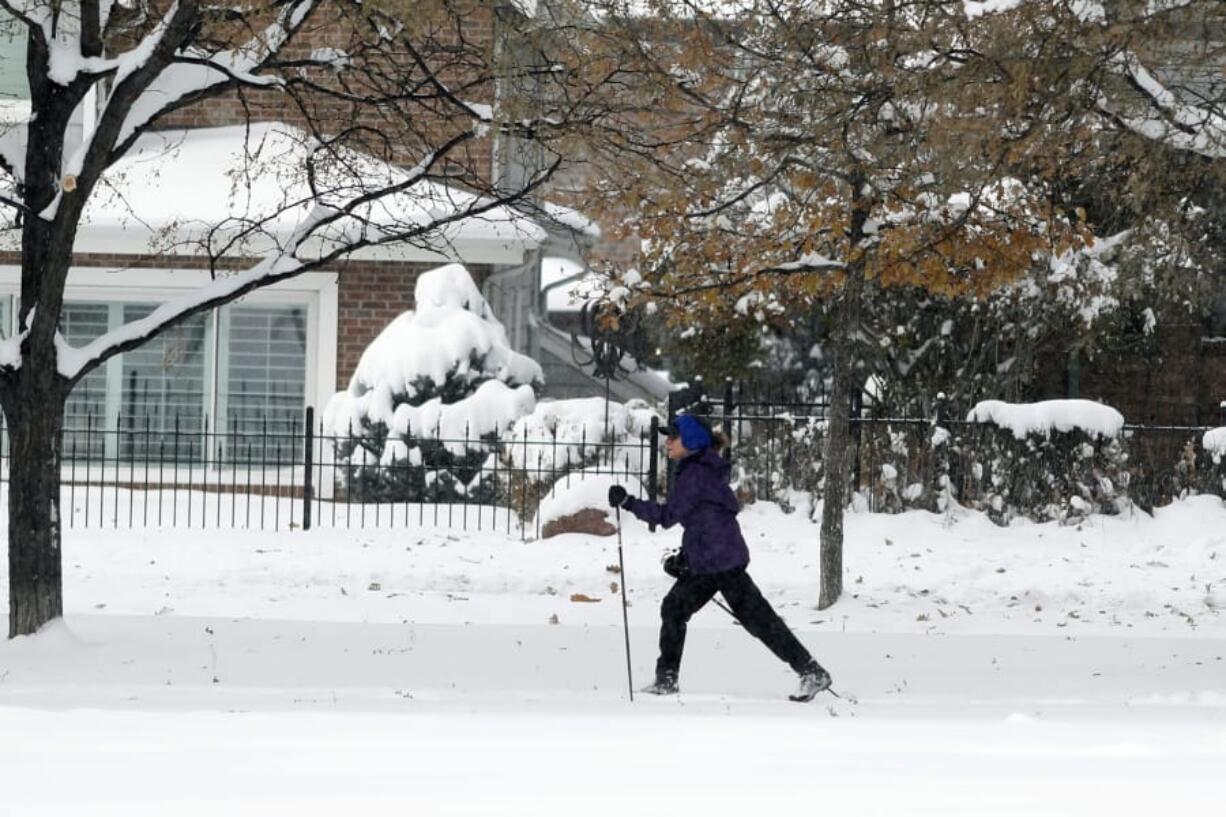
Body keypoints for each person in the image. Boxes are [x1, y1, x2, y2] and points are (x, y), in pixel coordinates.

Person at [608, 414, 833, 702]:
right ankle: (666, 678)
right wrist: (686, 558)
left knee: (754, 619)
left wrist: (628, 502)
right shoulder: (701, 469)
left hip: (719, 563)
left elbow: (666, 516)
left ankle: (811, 672)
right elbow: (704, 520)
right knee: (678, 609)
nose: (667, 441)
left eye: (673, 436)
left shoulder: (695, 474)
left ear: (690, 441)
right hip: (716, 558)